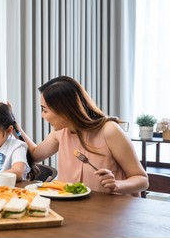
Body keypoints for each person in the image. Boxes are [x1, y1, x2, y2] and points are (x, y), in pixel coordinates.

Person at [12, 75, 149, 195]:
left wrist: (117, 185)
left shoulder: (109, 131)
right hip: (76, 211)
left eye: (45, 110)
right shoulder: (59, 132)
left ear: (64, 110)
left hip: (113, 213)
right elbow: (35, 154)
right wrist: (13, 124)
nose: (42, 115)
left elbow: (142, 179)